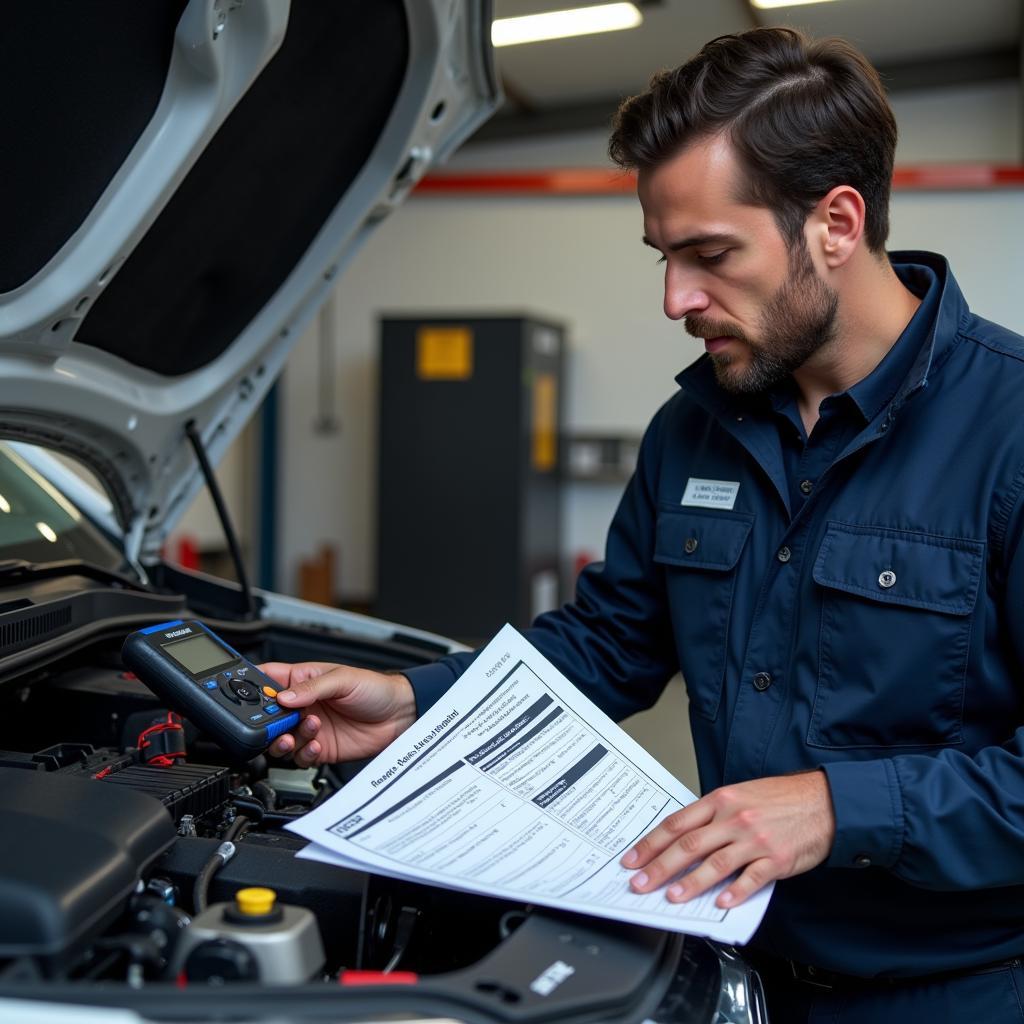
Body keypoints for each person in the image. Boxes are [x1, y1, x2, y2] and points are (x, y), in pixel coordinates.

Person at [262, 28, 1024, 1022]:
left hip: (957, 993)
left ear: (836, 222)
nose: (676, 299)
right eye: (665, 257)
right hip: (725, 965)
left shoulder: (1005, 432)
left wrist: (840, 807)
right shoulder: (693, 429)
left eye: (709, 255)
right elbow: (610, 640)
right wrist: (412, 701)